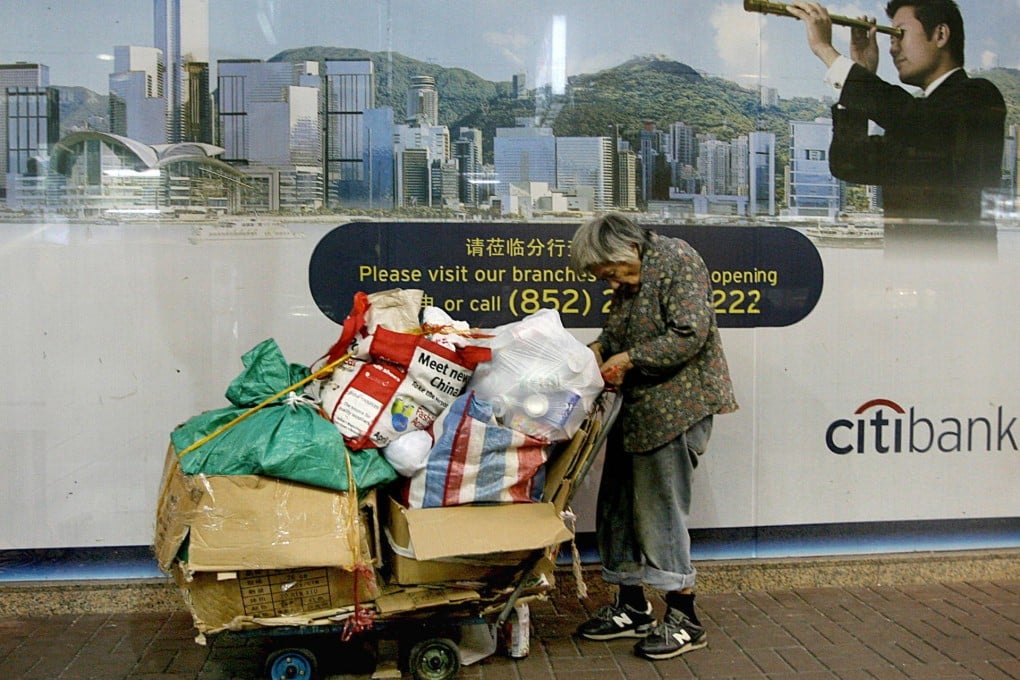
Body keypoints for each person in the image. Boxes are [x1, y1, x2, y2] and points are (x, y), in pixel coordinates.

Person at [569, 213, 737, 661]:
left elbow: (689, 333)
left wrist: (626, 359)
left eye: (607, 272)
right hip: (637, 410)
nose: (607, 283)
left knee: (660, 509)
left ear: (625, 250)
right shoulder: (629, 282)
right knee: (618, 506)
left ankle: (684, 617)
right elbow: (616, 334)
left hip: (677, 408)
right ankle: (632, 606)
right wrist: (593, 354)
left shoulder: (678, 259)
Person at [788, 0, 1005, 221]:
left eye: (899, 34)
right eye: (891, 39)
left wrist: (827, 51)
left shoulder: (979, 95)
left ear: (940, 34)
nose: (892, 49)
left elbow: (914, 117)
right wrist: (862, 72)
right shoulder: (914, 122)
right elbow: (849, 164)